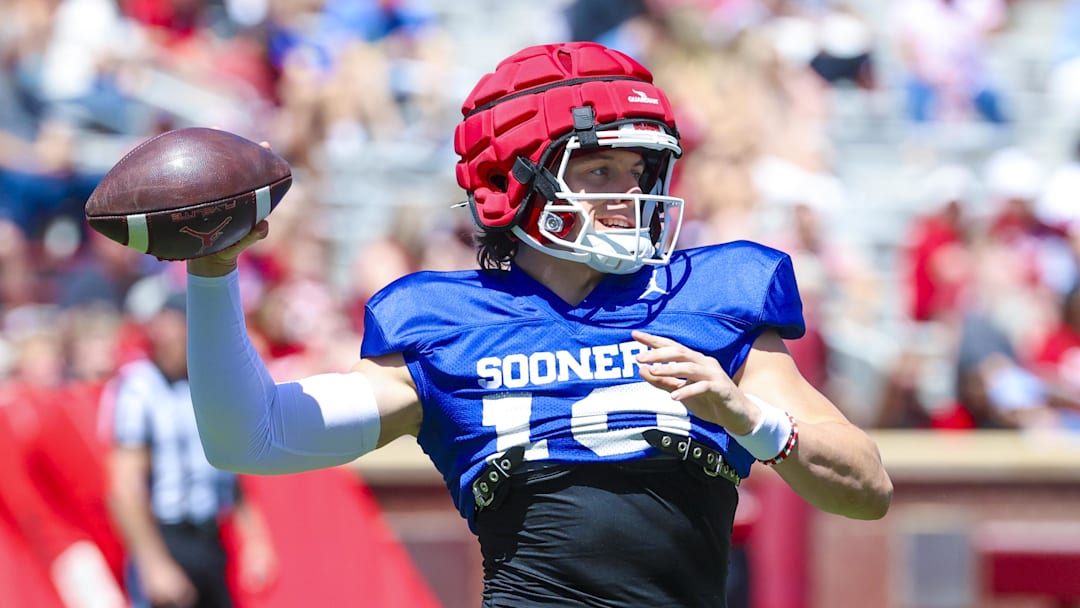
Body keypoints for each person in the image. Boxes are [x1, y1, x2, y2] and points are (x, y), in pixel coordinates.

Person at [182, 41, 893, 607]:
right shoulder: (447, 326)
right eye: (600, 170)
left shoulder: (709, 298)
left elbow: (866, 489)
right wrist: (212, 276)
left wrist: (750, 417)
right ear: (511, 182)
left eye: (640, 172)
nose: (630, 195)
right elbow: (254, 435)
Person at [105, 290, 277, 608]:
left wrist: (255, 538)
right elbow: (125, 486)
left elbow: (232, 470)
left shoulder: (209, 385)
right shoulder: (139, 387)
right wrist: (152, 561)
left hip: (210, 537)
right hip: (166, 534)